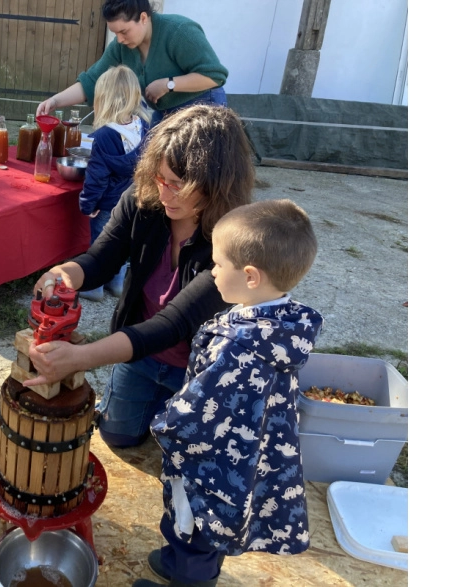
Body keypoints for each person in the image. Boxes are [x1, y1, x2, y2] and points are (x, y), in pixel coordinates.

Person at [26, 105, 254, 449]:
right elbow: (101, 260)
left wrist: (80, 358)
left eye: (178, 185)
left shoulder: (235, 239)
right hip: (138, 355)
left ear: (217, 185)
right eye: (160, 178)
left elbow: (174, 323)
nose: (164, 194)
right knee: (118, 436)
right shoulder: (143, 201)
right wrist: (63, 273)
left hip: (197, 368)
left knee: (180, 451)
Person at [134, 199, 324, 587]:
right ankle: (173, 563)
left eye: (218, 264)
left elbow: (198, 413)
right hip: (248, 457)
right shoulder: (278, 323)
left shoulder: (238, 348)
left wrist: (164, 422)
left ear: (250, 276)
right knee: (193, 527)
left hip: (216, 468)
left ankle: (190, 579)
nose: (213, 271)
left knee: (196, 534)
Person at [37, 0, 228, 126]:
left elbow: (214, 76)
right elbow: (92, 81)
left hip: (203, 110)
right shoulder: (121, 46)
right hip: (164, 114)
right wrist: (55, 101)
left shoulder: (180, 31)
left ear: (143, 18)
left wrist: (168, 84)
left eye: (124, 31)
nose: (120, 39)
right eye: (115, 33)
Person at [78, 65, 150, 302]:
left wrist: (88, 205)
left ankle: (94, 287)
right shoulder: (145, 128)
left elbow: (96, 179)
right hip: (135, 201)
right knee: (123, 243)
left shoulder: (101, 137)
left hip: (107, 204)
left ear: (102, 99)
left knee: (100, 245)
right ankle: (117, 283)